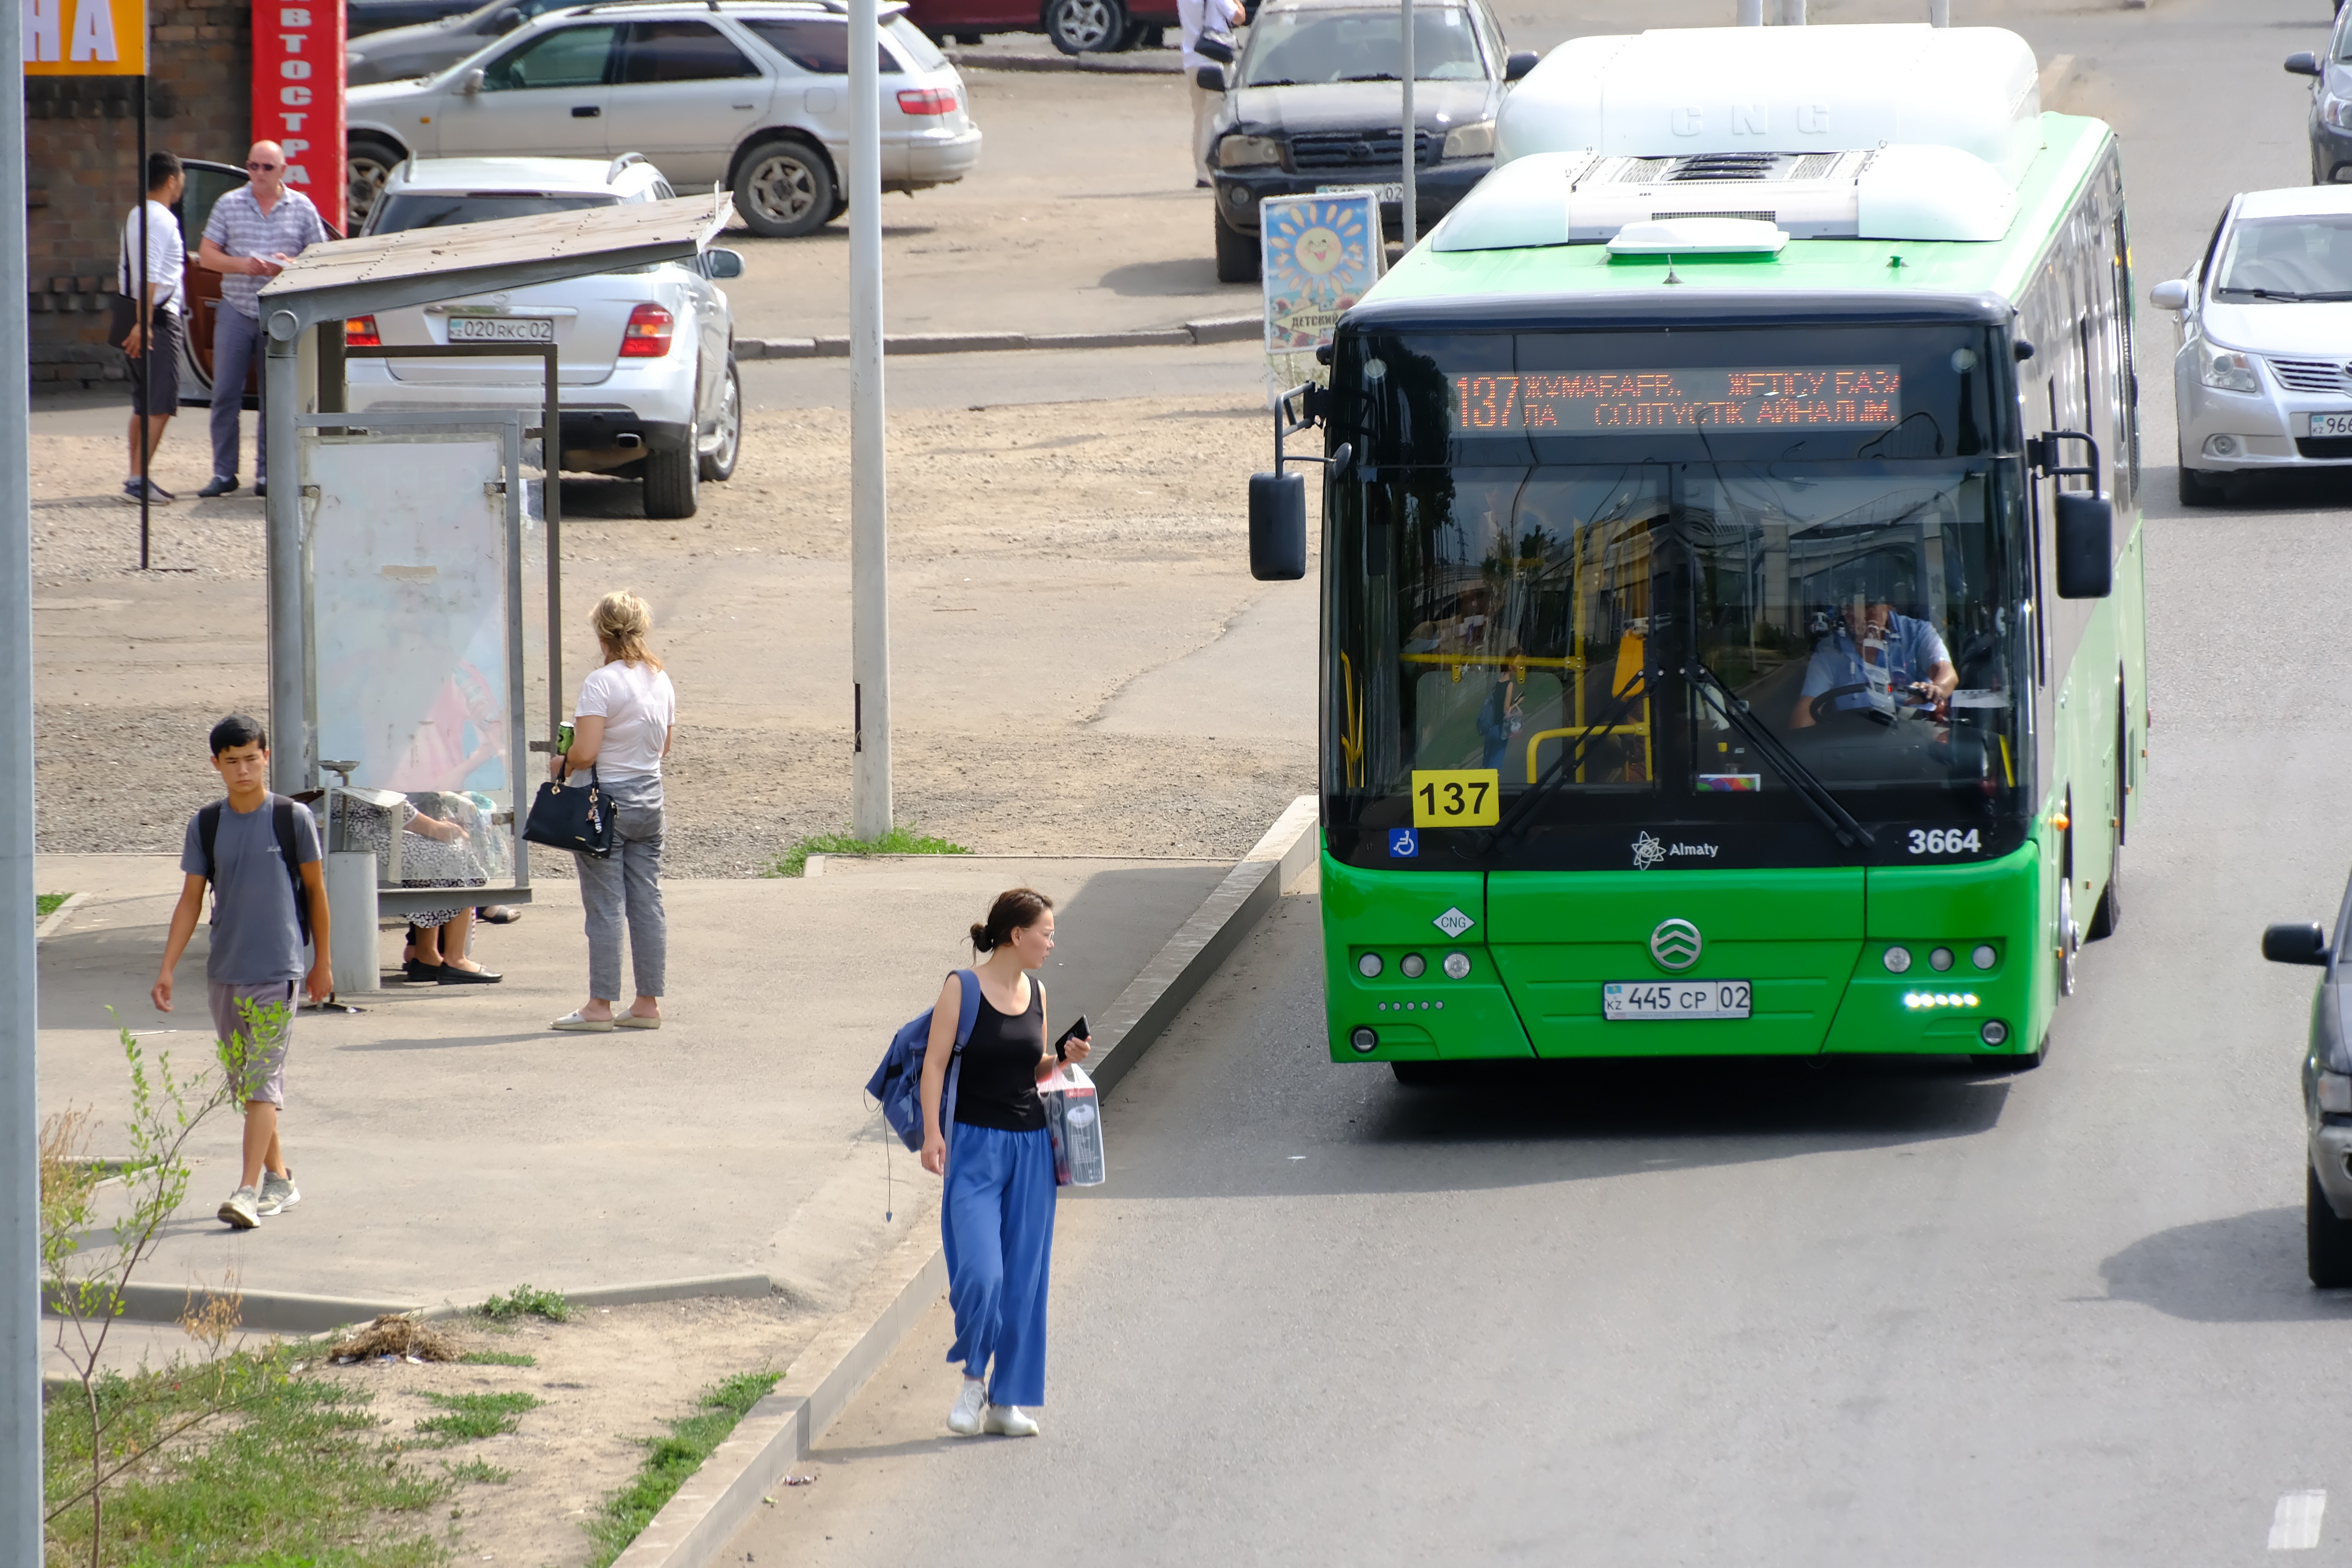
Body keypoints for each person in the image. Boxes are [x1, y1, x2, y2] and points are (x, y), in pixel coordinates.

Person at [920, 888, 1093, 1439]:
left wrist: (1060, 1059)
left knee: (1024, 1281)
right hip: (973, 1146)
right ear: (1015, 936)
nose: (1051, 942)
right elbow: (934, 1066)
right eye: (1046, 932)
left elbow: (1031, 1072)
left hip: (1031, 1148)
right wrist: (930, 1134)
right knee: (980, 1273)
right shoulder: (962, 988)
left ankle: (1007, 1401)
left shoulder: (1037, 991)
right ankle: (974, 1381)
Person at [151, 714, 332, 1231]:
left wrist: (323, 962)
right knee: (249, 1086)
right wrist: (166, 968)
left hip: (279, 968)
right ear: (217, 765)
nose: (243, 769)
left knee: (260, 1082)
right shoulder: (206, 824)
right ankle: (281, 1179)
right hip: (225, 972)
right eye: (232, 762)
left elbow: (317, 893)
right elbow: (190, 900)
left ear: (266, 757)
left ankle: (247, 1191)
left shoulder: (291, 819)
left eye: (252, 758)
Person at [551, 591, 675, 1032]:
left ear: (602, 632)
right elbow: (664, 745)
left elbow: (585, 752)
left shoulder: (601, 682)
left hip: (605, 803)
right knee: (647, 901)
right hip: (649, 799)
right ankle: (647, 1003)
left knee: (604, 905)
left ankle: (599, 1005)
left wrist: (561, 764)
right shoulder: (660, 679)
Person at [196, 141, 329, 500]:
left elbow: (321, 258)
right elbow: (207, 255)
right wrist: (243, 265)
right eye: (252, 166)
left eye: (267, 168)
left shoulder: (301, 207)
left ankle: (269, 474)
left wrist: (290, 265)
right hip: (237, 308)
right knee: (224, 393)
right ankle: (224, 473)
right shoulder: (229, 203)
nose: (258, 173)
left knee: (277, 398)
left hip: (281, 315)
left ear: (283, 171)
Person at [1792, 581, 1958, 728]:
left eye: (1869, 607)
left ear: (1888, 606)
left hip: (1915, 738)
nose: (1860, 617)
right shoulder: (1831, 649)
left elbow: (1946, 672)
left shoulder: (1918, 632)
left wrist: (1937, 689)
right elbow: (1807, 710)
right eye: (1851, 608)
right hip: (1855, 742)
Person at [119, 150, 186, 507]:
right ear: (172, 180)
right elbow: (150, 274)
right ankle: (139, 478)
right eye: (181, 180)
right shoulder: (161, 218)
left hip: (136, 313)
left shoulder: (136, 215)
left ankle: (135, 475)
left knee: (143, 403)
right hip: (156, 319)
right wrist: (144, 325)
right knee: (160, 404)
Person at [1180, 0, 1245, 186]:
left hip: (1192, 60)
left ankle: (1201, 172)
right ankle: (1209, 172)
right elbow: (1238, 17)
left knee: (1200, 118)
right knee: (1213, 118)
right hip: (1214, 61)